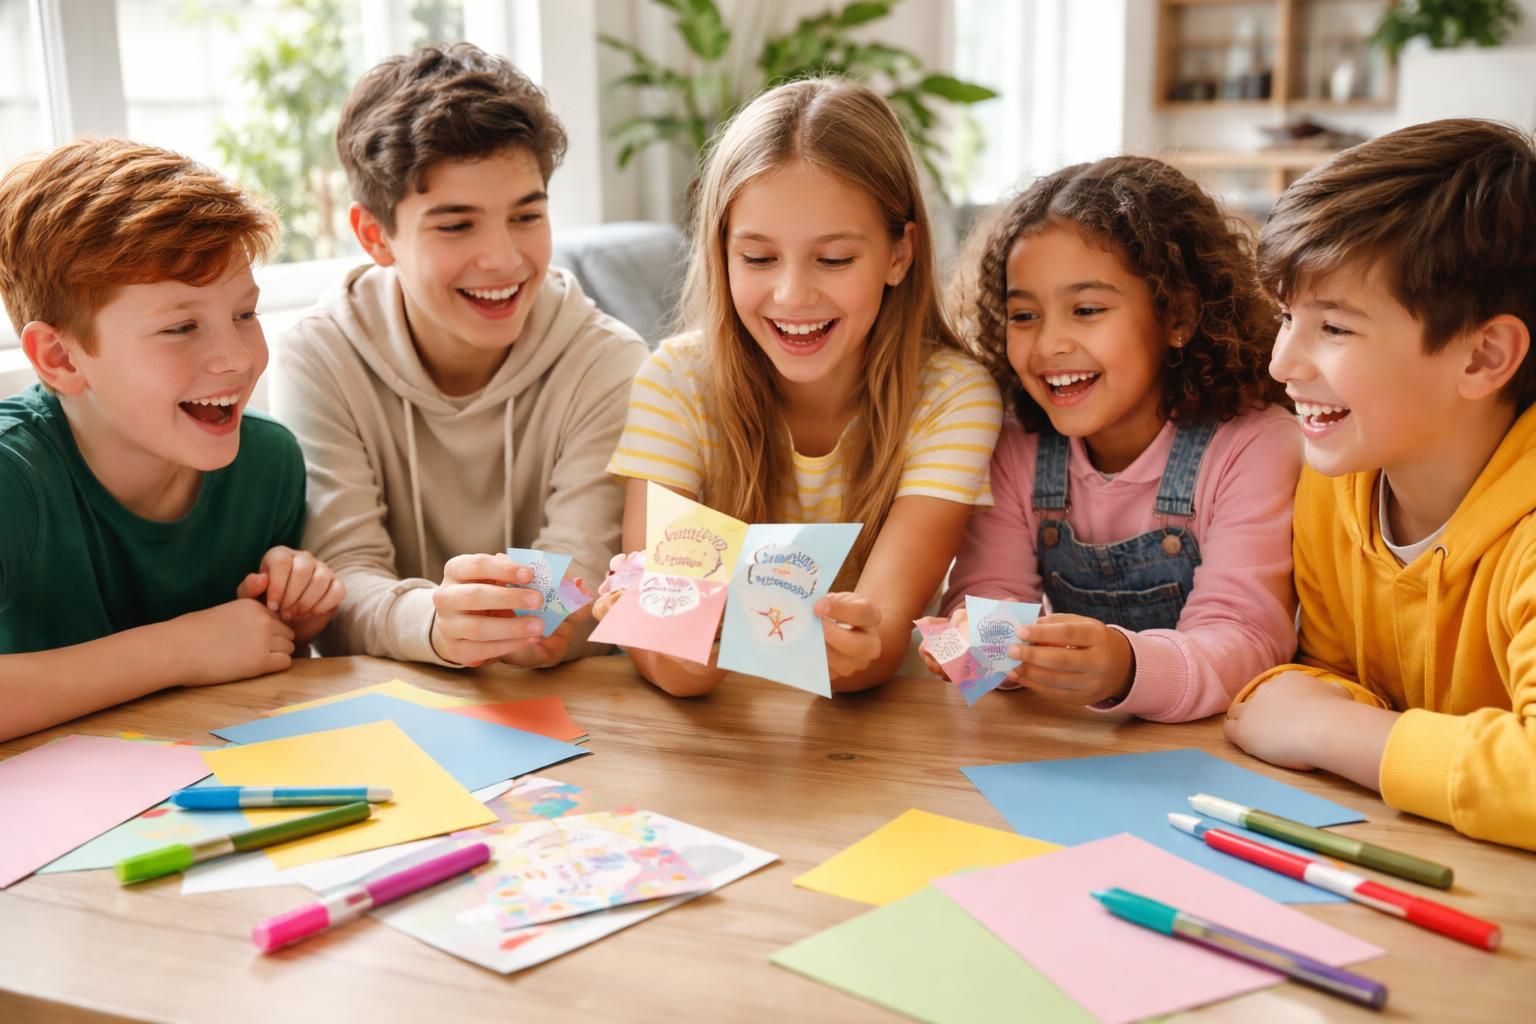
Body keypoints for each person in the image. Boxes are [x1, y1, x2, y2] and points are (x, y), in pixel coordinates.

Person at [596, 78, 1003, 697]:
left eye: (834, 259)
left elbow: (881, 647)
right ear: (721, 254)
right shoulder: (675, 383)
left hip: (874, 744)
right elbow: (669, 661)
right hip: (716, 746)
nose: (792, 296)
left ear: (900, 254)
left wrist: (859, 643)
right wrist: (679, 647)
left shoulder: (953, 397)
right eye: (758, 259)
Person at [270, 44, 647, 669]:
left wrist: (531, 623)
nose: (502, 259)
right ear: (375, 236)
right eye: (455, 226)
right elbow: (340, 582)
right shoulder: (319, 356)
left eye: (526, 216)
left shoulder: (608, 363)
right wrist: (436, 626)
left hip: (567, 711)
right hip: (386, 712)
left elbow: (583, 575)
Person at [1224, 120, 1536, 851]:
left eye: (1333, 327)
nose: (1282, 364)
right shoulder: (1336, 480)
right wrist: (1322, 709)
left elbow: (1325, 713)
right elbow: (1329, 677)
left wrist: (1329, 729)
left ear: (1483, 355)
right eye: (1284, 318)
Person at [930, 156, 1301, 721]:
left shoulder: (1256, 447)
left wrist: (1127, 667)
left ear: (1177, 314)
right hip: (1074, 748)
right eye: (1024, 316)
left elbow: (1246, 638)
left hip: (1214, 756)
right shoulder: (1014, 443)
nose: (1049, 343)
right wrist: (986, 646)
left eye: (1086, 309)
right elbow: (989, 592)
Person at [0, 139, 341, 741]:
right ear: (59, 357)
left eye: (245, 314)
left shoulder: (268, 465)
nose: (235, 359)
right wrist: (177, 650)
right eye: (181, 327)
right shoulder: (12, 479)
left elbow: (252, 679)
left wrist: (292, 619)